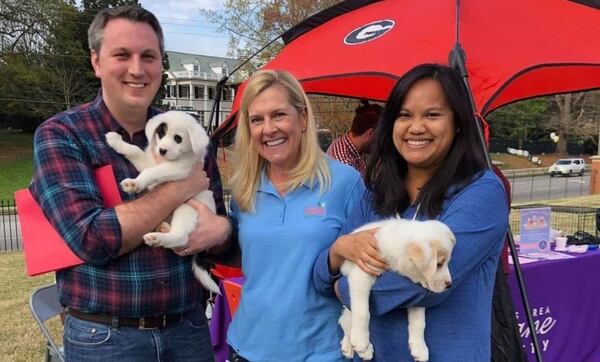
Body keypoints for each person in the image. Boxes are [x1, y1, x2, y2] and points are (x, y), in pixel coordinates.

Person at [29, 6, 230, 361]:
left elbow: (221, 229)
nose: (137, 69)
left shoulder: (187, 132)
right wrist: (180, 187)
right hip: (106, 337)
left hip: (189, 329)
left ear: (161, 64)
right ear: (96, 62)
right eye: (122, 55)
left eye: (149, 56)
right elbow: (92, 238)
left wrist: (222, 232)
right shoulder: (62, 134)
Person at [313, 64, 509, 361]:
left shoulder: (480, 192)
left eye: (432, 115)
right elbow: (319, 277)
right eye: (404, 115)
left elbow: (425, 288)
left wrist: (346, 287)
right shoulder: (375, 193)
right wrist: (339, 250)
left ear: (457, 122)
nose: (416, 127)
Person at [221, 69, 365, 361]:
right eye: (257, 120)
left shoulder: (345, 183)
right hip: (248, 347)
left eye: (279, 115)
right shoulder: (244, 187)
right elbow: (249, 255)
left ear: (303, 119)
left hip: (323, 352)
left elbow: (365, 267)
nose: (268, 128)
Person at [327, 100, 382, 177]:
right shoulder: (345, 165)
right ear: (371, 133)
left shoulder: (354, 149)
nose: (382, 142)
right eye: (381, 137)